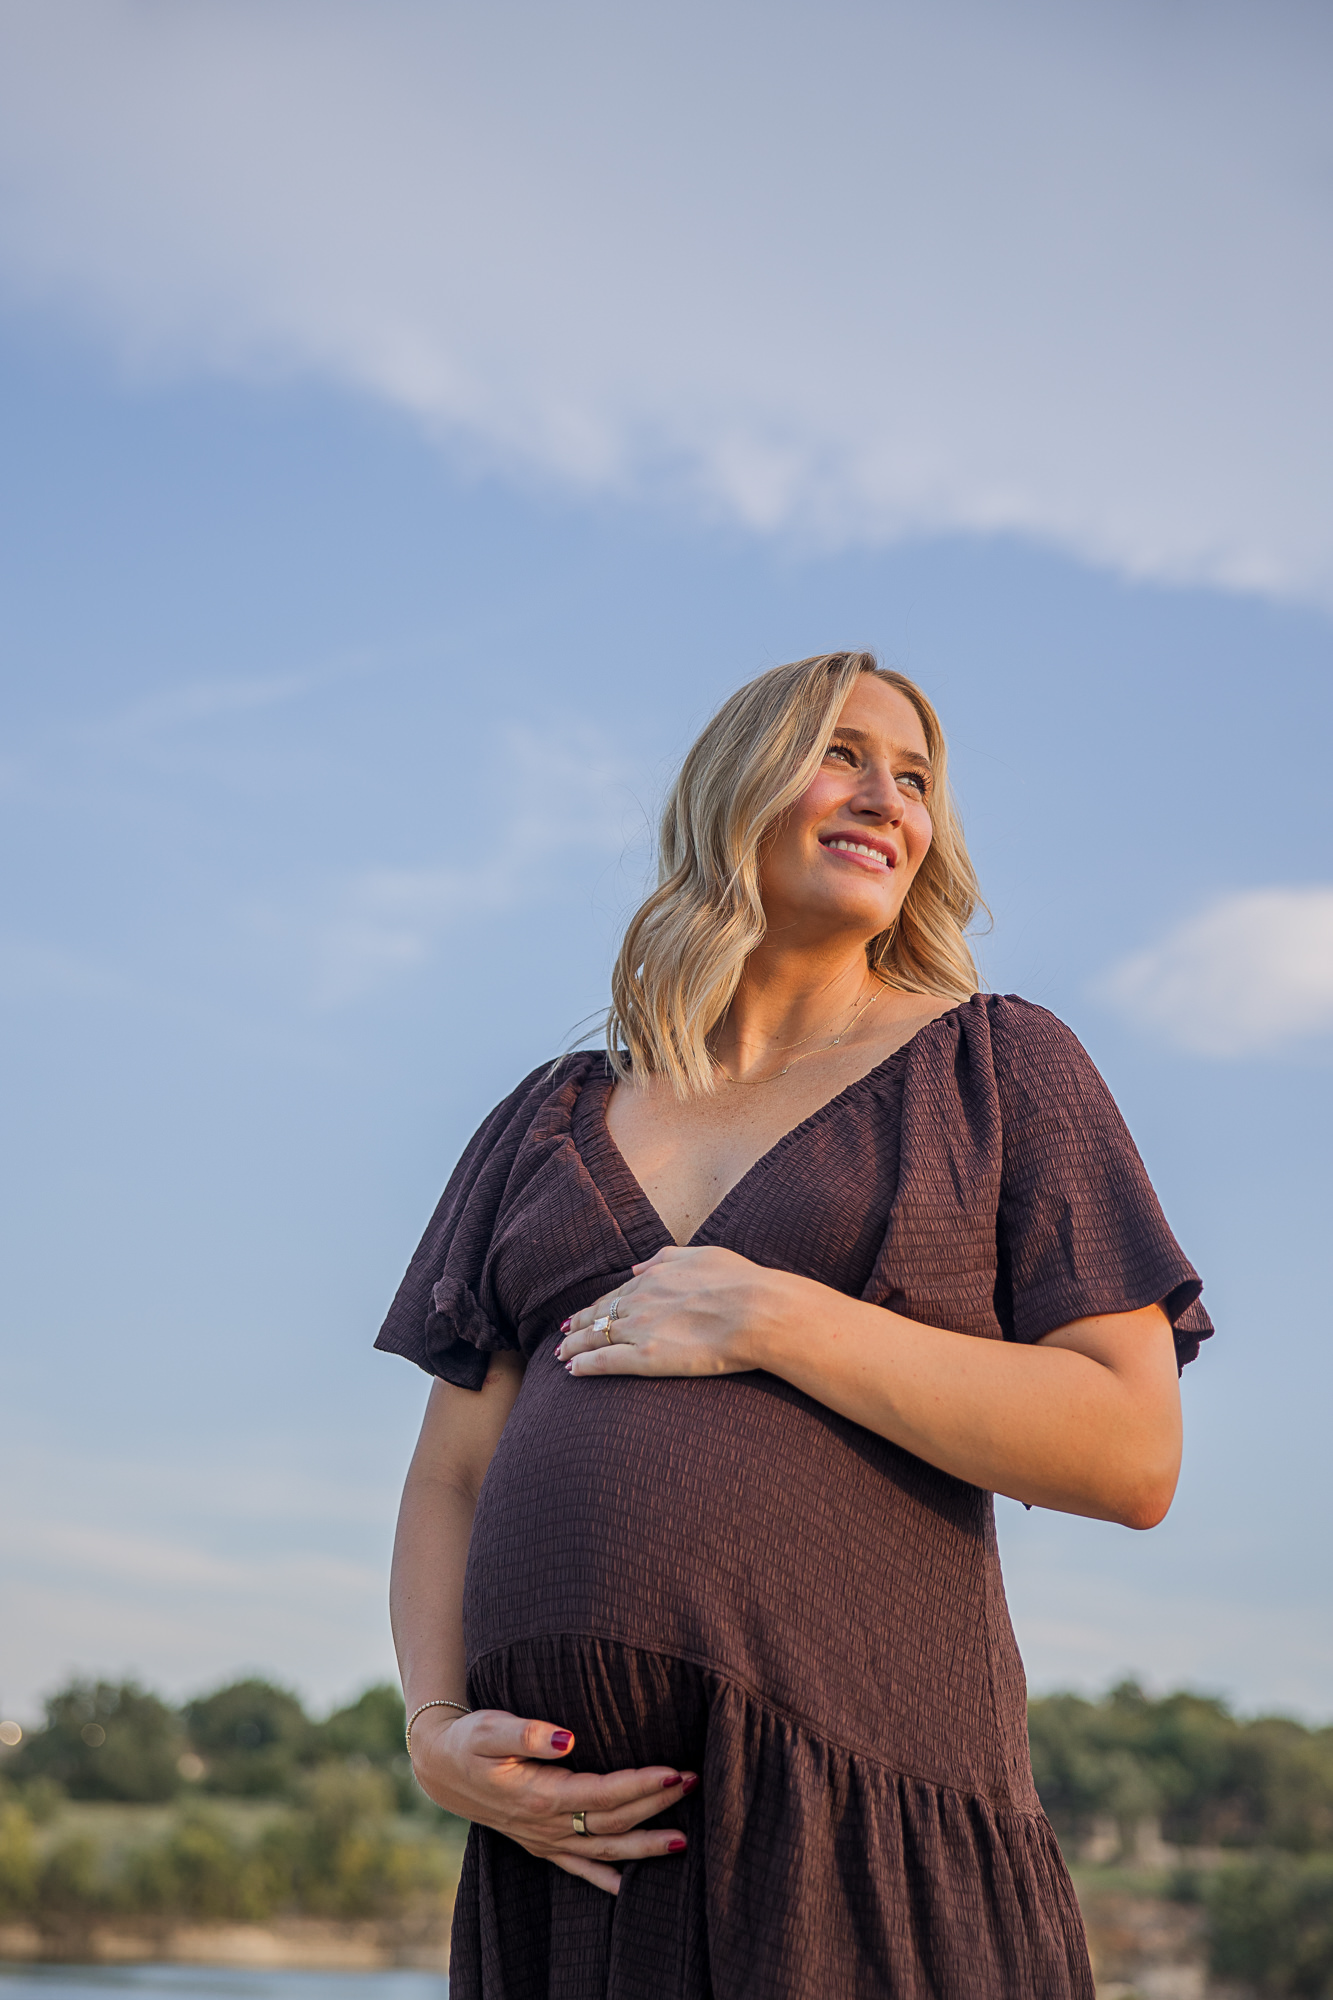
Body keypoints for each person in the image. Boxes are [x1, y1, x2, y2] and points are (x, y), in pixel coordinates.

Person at [378, 651, 1211, 1999]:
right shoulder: (547, 1117)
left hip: (854, 1844)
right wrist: (430, 1727)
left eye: (917, 777)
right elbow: (453, 1471)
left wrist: (782, 1319)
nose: (885, 795)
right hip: (573, 1852)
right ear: (729, 793)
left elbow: (1128, 1450)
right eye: (840, 753)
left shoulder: (998, 1069)